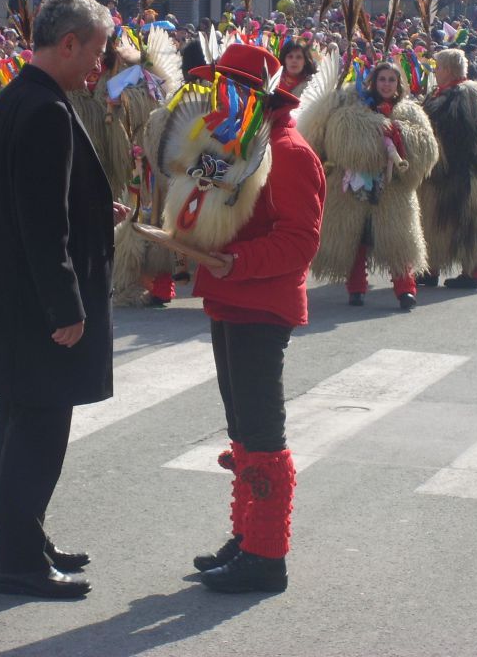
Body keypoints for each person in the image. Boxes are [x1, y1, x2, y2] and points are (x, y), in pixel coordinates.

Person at [0, 0, 126, 599]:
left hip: (14, 295)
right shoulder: (48, 109)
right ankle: (19, 565)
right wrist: (66, 307)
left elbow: (36, 200)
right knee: (37, 437)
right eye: (97, 50)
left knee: (17, 426)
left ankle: (23, 541)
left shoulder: (18, 96)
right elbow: (40, 221)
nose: (99, 64)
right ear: (68, 43)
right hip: (40, 305)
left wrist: (91, 209)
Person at [160, 44, 325, 592]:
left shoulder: (290, 152)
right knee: (242, 430)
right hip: (230, 296)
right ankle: (247, 536)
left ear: (252, 97)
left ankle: (267, 556)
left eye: (225, 88)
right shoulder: (238, 145)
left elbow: (300, 242)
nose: (214, 98)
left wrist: (237, 261)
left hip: (263, 302)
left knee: (262, 430)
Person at [297, 61, 439, 310]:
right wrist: (377, 134)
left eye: (391, 80)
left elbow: (426, 149)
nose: (386, 84)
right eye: (382, 79)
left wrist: (399, 135)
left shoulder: (410, 113)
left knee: (399, 241)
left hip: (393, 189)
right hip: (353, 189)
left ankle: (405, 289)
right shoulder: (352, 111)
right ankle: (356, 288)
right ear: (373, 82)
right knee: (356, 239)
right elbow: (338, 142)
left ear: (398, 84)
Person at [418, 48, 477, 290]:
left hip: (466, 172)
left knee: (470, 223)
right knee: (435, 222)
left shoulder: (466, 93)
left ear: (448, 69)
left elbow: (467, 134)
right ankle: (430, 269)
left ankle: (472, 273)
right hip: (443, 171)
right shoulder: (440, 93)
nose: (435, 70)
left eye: (439, 67)